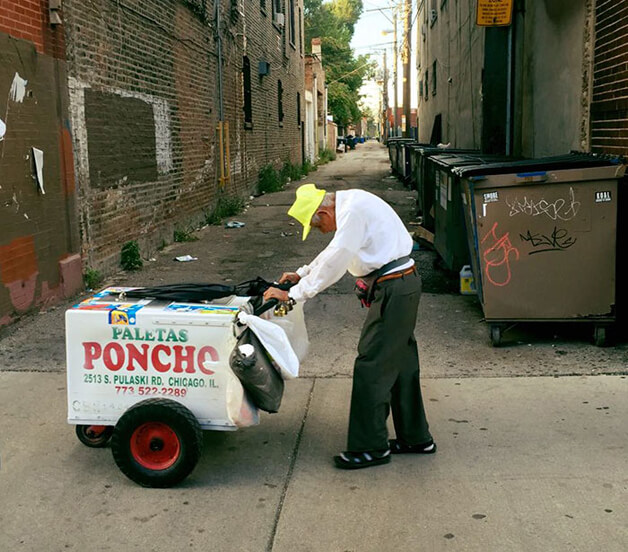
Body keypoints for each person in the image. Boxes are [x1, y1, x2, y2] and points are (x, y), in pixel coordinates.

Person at [263, 183, 435, 470]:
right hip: (401, 285)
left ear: (323, 211)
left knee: (372, 364)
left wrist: (293, 294)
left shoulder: (352, 211)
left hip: (394, 289)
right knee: (401, 364)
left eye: (318, 226)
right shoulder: (350, 204)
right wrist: (302, 274)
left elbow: (338, 258)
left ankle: (370, 447)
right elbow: (334, 251)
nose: (321, 231)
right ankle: (416, 439)